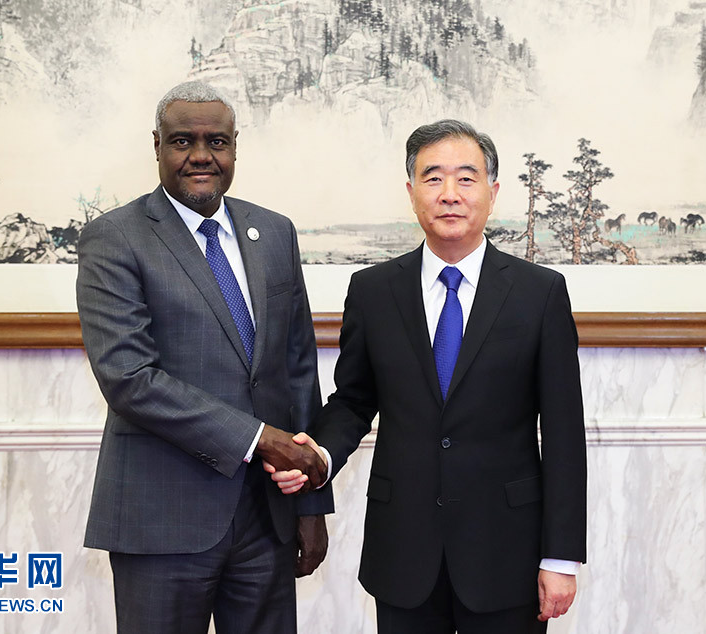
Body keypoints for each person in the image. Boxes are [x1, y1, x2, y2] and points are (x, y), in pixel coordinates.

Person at [273, 119, 586, 632]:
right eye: (433, 177)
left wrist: (561, 557)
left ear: (492, 193)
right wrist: (319, 457)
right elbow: (353, 401)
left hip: (507, 551)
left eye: (466, 178)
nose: (449, 194)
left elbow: (564, 432)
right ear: (412, 192)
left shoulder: (540, 293)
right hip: (404, 550)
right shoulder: (373, 291)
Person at [76, 79, 332, 634]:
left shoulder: (275, 233)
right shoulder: (115, 238)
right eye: (181, 141)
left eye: (216, 141)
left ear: (235, 147)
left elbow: (297, 373)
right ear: (157, 146)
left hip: (267, 519)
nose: (200, 156)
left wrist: (311, 505)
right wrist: (258, 438)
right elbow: (129, 378)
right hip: (161, 520)